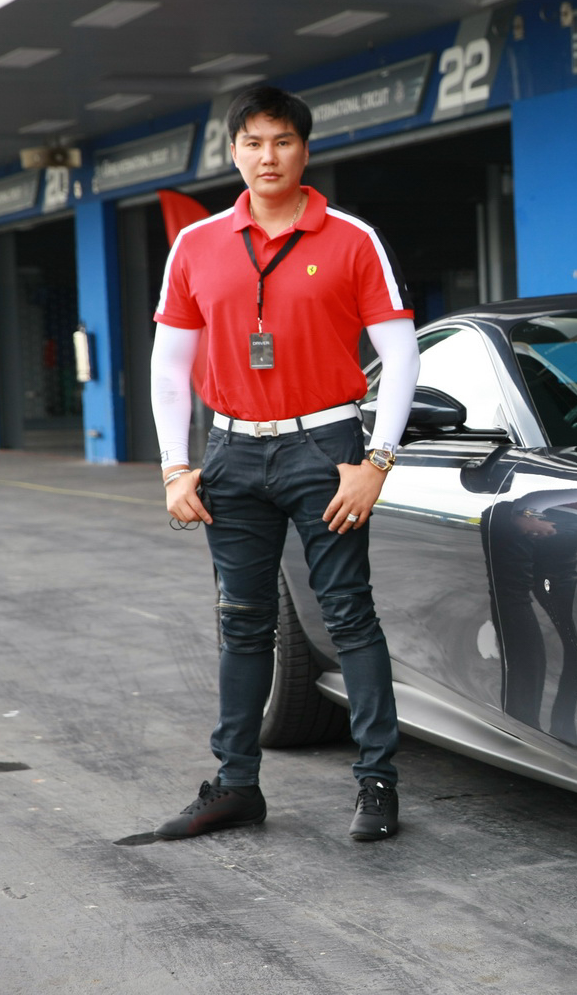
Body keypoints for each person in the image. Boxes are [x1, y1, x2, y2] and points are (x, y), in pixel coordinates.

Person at [150, 86, 420, 840]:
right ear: (233, 152)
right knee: (242, 623)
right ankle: (236, 785)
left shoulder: (351, 238)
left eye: (282, 141)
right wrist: (177, 468)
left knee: (349, 615)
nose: (267, 156)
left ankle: (376, 785)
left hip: (326, 448)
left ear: (305, 149)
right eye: (252, 142)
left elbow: (400, 354)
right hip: (230, 450)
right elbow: (171, 366)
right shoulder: (196, 244)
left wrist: (377, 461)